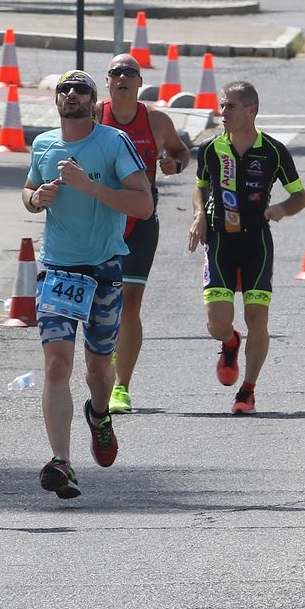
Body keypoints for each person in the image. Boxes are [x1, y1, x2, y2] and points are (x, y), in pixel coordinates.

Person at [21, 70, 153, 498]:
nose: (72, 95)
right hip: (58, 269)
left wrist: (89, 186)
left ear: (94, 103)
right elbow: (27, 190)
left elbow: (144, 204)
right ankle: (61, 461)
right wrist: (36, 198)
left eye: (81, 90)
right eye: (65, 90)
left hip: (103, 269)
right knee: (57, 365)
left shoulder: (113, 143)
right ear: (56, 100)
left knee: (98, 370)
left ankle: (99, 415)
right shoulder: (43, 144)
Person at [187, 80, 305, 415]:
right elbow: (200, 187)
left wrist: (281, 209)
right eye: (222, 106)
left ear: (250, 110)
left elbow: (300, 196)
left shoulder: (273, 150)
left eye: (229, 106)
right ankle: (229, 342)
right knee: (217, 323)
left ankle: (248, 390)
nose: (222, 112)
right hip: (220, 241)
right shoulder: (211, 149)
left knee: (258, 318)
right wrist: (198, 216)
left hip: (256, 243)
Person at [95, 53, 190, 414]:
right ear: (107, 81)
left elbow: (182, 153)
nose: (122, 77)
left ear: (139, 82)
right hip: (101, 221)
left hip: (141, 222)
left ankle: (122, 387)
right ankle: (103, 363)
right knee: (101, 301)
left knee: (131, 302)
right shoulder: (94, 117)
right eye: (116, 72)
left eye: (129, 72)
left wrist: (173, 163)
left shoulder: (156, 120)